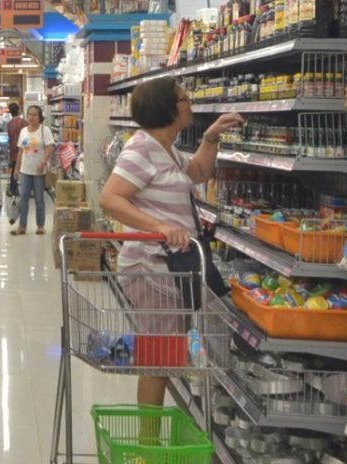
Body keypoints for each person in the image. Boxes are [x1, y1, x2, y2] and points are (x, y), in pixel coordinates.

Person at [98, 77, 243, 407]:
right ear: (167, 109)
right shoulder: (142, 149)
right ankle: (148, 449)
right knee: (158, 357)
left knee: (163, 352)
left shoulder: (167, 149)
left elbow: (199, 173)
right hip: (151, 267)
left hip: (172, 266)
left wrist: (211, 137)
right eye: (184, 100)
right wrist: (159, 226)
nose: (190, 104)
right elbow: (110, 198)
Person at [11, 105, 55, 235]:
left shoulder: (44, 130)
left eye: (35, 115)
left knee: (39, 198)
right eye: (29, 114)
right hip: (25, 170)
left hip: (39, 171)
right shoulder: (24, 131)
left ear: (40, 116)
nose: (32, 117)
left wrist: (43, 162)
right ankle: (22, 226)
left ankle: (40, 225)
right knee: (23, 198)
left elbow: (50, 148)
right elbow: (21, 151)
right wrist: (17, 168)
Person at [6, 102, 28, 195]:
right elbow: (27, 136)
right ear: (19, 110)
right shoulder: (24, 122)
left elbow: (10, 137)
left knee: (15, 168)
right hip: (23, 148)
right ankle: (25, 188)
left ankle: (13, 188)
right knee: (24, 169)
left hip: (13, 148)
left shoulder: (9, 123)